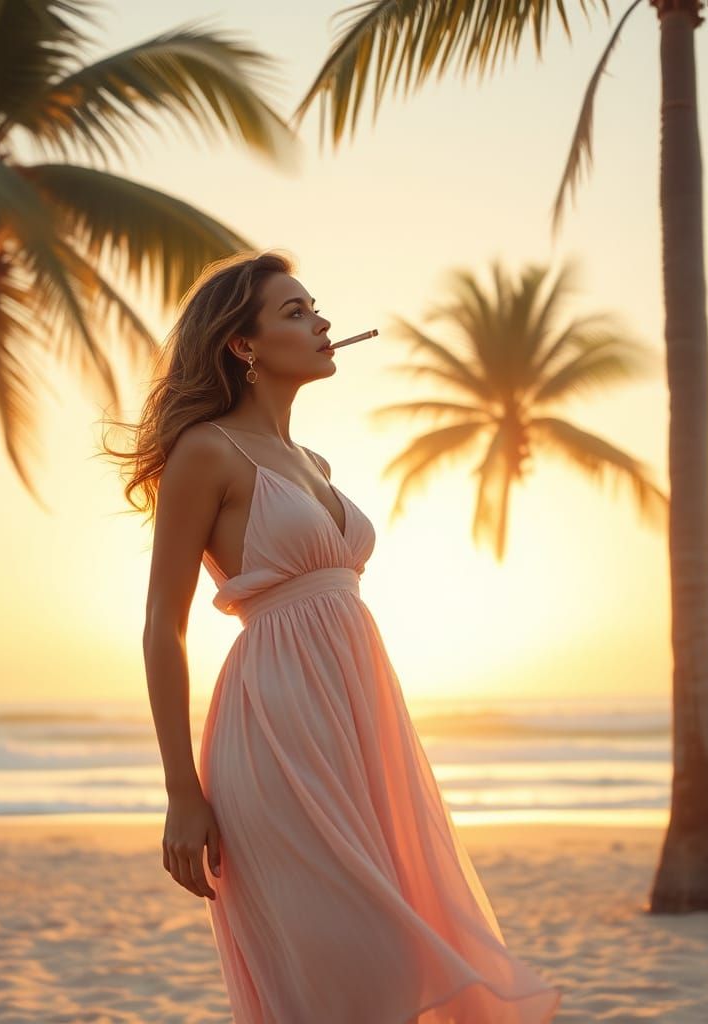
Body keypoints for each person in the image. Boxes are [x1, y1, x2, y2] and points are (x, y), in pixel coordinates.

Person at [106, 250, 562, 1023]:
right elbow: (161, 626)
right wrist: (182, 792)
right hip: (275, 730)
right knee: (361, 968)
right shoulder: (207, 451)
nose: (320, 322)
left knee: (394, 968)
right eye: (294, 312)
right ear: (242, 346)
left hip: (359, 729)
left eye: (314, 307)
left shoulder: (313, 462)